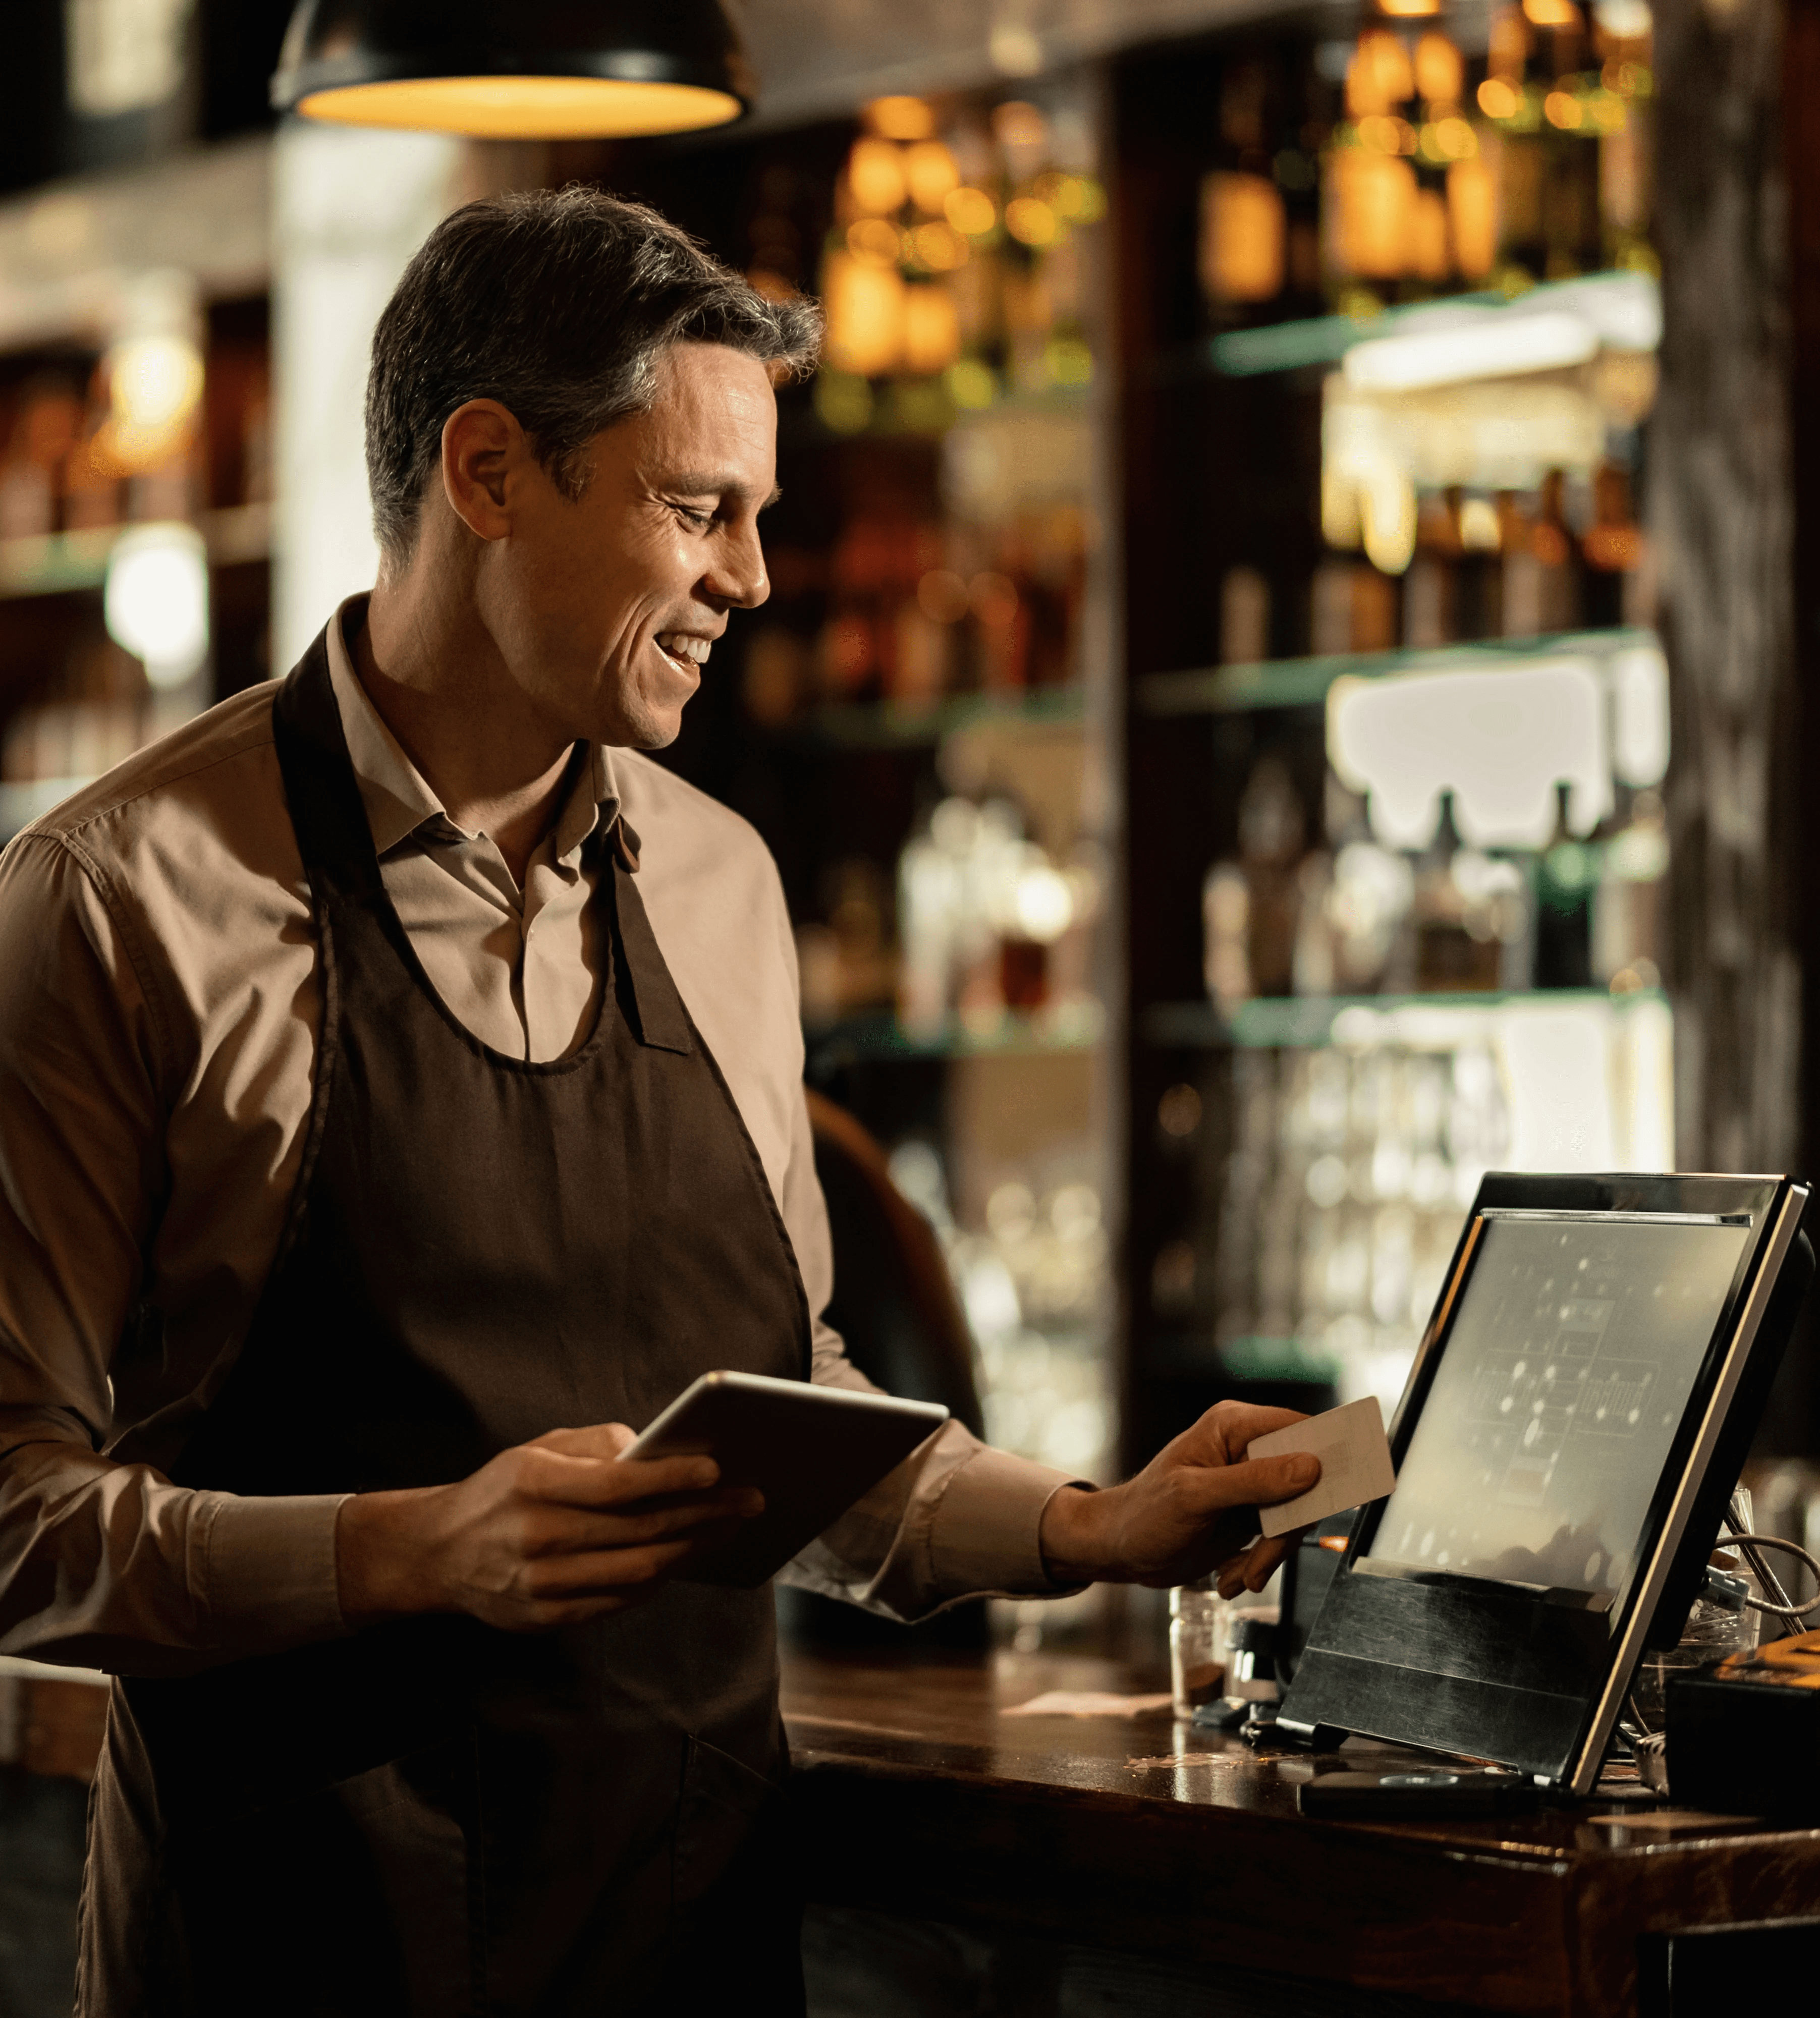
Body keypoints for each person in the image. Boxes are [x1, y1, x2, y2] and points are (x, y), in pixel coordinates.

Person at [0, 189, 1319, 2017]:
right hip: (287, 1955)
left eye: (756, 518)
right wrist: (410, 1548)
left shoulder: (721, 883)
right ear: (487, 472)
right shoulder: (116, 899)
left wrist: (1090, 1525)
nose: (752, 580)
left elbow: (788, 1414)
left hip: (685, 1951)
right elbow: (13, 1518)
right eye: (698, 510)